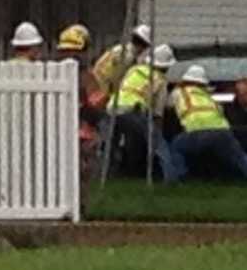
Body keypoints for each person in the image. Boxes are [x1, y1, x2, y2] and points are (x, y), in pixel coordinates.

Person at [169, 65, 247, 184]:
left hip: (196, 132)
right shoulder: (207, 96)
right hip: (222, 131)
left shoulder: (178, 92)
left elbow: (168, 106)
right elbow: (221, 112)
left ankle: (180, 178)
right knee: (240, 157)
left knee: (176, 146)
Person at [107, 44, 178, 183]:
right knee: (160, 145)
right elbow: (158, 113)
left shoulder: (134, 69)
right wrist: (156, 132)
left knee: (111, 144)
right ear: (166, 66)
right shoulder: (161, 80)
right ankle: (171, 178)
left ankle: (109, 175)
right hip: (133, 110)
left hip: (112, 107)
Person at [54, 24, 105, 208]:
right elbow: (96, 106)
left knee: (80, 172)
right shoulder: (85, 77)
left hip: (79, 134)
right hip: (75, 133)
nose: (71, 57)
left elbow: (95, 107)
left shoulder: (84, 77)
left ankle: (79, 205)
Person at [93, 24, 151, 96]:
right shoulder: (123, 54)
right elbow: (101, 71)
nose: (144, 50)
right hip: (108, 95)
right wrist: (108, 92)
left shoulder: (122, 51)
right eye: (145, 47)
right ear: (142, 45)